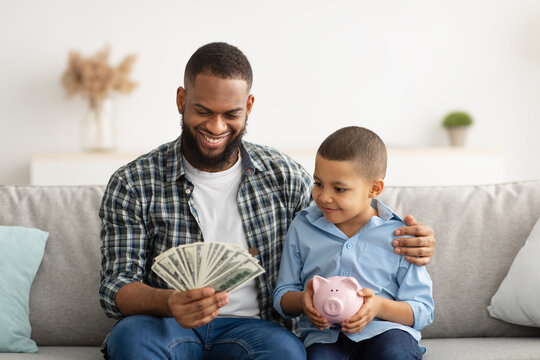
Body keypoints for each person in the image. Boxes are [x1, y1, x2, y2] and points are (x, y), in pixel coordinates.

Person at [99, 42, 436, 360]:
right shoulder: (132, 182)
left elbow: (344, 215)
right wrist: (171, 301)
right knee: (129, 338)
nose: (216, 126)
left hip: (255, 328)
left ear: (248, 107)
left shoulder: (285, 175)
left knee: (288, 353)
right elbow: (116, 286)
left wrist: (410, 237)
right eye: (203, 111)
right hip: (166, 324)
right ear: (181, 100)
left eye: (230, 113)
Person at [273, 126, 434, 360]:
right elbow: (282, 295)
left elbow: (423, 310)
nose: (324, 197)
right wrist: (303, 301)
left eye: (339, 189)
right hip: (324, 337)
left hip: (386, 332)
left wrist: (378, 306)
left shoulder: (401, 236)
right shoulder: (303, 226)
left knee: (396, 355)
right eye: (318, 183)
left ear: (374, 189)